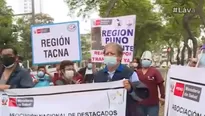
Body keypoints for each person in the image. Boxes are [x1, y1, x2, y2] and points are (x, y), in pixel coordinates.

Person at [93, 43, 149, 116]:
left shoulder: (130, 73)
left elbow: (140, 96)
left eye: (112, 54)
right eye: (107, 53)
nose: (109, 56)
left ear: (120, 57)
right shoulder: (98, 75)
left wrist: (131, 88)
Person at [136, 50, 165, 116]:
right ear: (141, 60)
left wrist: (163, 96)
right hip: (139, 103)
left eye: (148, 59)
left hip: (153, 103)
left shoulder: (155, 72)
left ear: (151, 61)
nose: (146, 60)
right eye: (144, 59)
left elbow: (161, 84)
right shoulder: (137, 72)